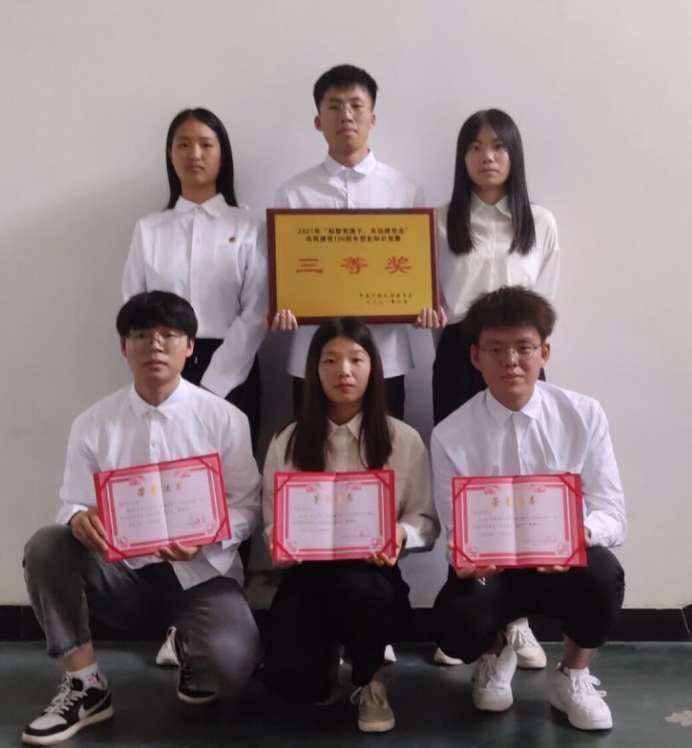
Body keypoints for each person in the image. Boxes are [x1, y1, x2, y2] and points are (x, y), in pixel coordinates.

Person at [21, 292, 262, 745]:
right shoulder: (93, 423)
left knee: (231, 668)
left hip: (200, 574)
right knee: (47, 545)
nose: (155, 345)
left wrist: (207, 535)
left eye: (169, 335)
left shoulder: (225, 419)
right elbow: (72, 501)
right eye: (141, 335)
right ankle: (85, 686)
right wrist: (77, 518)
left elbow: (249, 506)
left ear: (190, 346)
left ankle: (192, 650)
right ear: (123, 347)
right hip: (123, 576)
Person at [432, 286, 626, 731]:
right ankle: (496, 650)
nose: (511, 361)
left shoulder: (583, 415)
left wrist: (579, 535)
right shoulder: (450, 434)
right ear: (475, 357)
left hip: (562, 565)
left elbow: (612, 513)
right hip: (495, 573)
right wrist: (462, 552)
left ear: (544, 352)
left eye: (524, 347)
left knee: (603, 574)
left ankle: (573, 675)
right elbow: (455, 528)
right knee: (456, 621)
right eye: (496, 349)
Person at [260, 317, 438, 733]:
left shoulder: (403, 439)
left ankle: (370, 679)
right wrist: (280, 542)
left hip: (372, 577)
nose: (344, 371)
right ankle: (324, 652)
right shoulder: (287, 441)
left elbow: (425, 520)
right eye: (330, 360)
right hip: (308, 575)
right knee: (295, 686)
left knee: (362, 592)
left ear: (373, 368)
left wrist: (401, 534)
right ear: (313, 370)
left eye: (356, 359)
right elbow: (272, 520)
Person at [431, 109, 560, 668]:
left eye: (499, 146)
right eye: (475, 147)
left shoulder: (540, 222)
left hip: (519, 360)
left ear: (514, 155)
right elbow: (427, 297)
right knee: (465, 480)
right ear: (462, 157)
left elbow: (544, 305)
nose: (487, 157)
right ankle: (471, 610)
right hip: (460, 354)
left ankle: (518, 620)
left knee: (523, 477)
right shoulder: (439, 222)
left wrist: (524, 349)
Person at [269, 64, 444, 421]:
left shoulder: (406, 190)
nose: (346, 115)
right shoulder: (294, 193)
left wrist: (422, 304)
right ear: (318, 121)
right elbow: (282, 275)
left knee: (385, 451)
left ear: (372, 118)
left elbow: (415, 270)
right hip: (314, 358)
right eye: (334, 106)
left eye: (356, 105)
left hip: (385, 357)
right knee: (312, 452)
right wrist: (280, 305)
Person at [123, 107, 267, 453]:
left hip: (235, 366)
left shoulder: (249, 226)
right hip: (162, 361)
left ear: (222, 155)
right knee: (167, 468)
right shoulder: (149, 229)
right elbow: (134, 308)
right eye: (183, 145)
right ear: (170, 155)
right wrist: (163, 368)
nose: (195, 154)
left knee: (231, 472)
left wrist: (216, 382)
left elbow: (257, 310)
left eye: (206, 144)